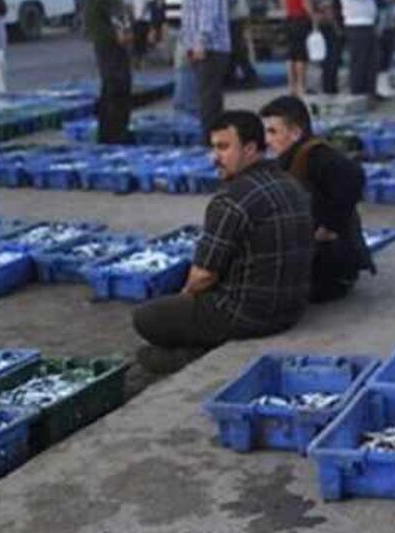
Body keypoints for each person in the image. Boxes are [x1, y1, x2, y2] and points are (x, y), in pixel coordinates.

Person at [133, 111, 313, 374]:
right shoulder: (291, 184)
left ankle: (191, 353)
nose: (214, 157)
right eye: (214, 147)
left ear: (250, 149)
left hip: (248, 314)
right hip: (291, 308)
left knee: (147, 317)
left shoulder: (231, 200)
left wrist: (183, 300)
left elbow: (203, 276)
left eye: (223, 147)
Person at [261, 95, 374, 302]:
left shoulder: (316, 156)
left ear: (295, 132)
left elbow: (354, 176)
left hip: (333, 266)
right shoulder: (290, 157)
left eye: (273, 132)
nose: (267, 140)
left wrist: (330, 226)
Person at [85, 0, 133, 144]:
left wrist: (125, 29)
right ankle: (112, 136)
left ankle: (116, 133)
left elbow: (119, 13)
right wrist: (118, 33)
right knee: (115, 88)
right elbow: (103, 18)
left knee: (118, 88)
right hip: (108, 43)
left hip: (113, 43)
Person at [182, 0, 231, 138]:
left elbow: (208, 15)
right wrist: (188, 44)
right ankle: (214, 136)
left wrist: (200, 42)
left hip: (211, 48)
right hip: (200, 47)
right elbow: (189, 17)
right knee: (208, 98)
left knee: (209, 100)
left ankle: (210, 138)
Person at [343, 0, 378, 98]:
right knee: (359, 62)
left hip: (368, 22)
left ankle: (370, 92)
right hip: (356, 23)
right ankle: (358, 92)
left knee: (371, 62)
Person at [225, 0, 259, 87]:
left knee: (237, 48)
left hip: (234, 16)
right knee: (232, 48)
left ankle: (251, 77)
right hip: (233, 16)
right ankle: (230, 76)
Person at [283, 0, 312, 96]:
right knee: (301, 55)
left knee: (291, 55)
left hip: (289, 19)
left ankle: (291, 86)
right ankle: (301, 86)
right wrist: (313, 17)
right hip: (301, 19)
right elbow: (306, 4)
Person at [315, 0, 341, 94]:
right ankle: (330, 86)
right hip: (328, 24)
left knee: (329, 57)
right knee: (331, 57)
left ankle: (329, 85)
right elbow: (327, 8)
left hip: (325, 22)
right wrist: (335, 25)